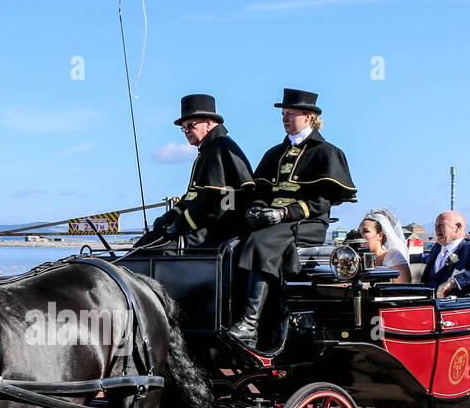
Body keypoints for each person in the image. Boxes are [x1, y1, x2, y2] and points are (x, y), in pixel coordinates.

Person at [227, 88, 357, 347]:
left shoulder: (326, 153)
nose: (285, 119)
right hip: (273, 225)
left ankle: (250, 325)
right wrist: (258, 209)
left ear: (309, 117)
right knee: (232, 242)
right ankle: (232, 315)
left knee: (261, 240)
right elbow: (260, 190)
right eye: (283, 114)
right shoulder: (274, 153)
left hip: (307, 224)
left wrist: (283, 213)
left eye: (291, 114)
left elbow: (321, 202)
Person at [135, 94, 254, 249]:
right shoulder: (207, 151)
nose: (186, 131)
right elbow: (193, 197)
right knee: (149, 240)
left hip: (218, 231)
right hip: (204, 226)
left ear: (209, 123)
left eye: (191, 125)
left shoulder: (220, 150)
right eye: (183, 127)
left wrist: (181, 224)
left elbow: (220, 203)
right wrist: (169, 216)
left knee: (155, 249)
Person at [423, 210, 470, 297]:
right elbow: (426, 259)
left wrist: (454, 282)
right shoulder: (437, 247)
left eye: (441, 225)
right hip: (426, 303)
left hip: (452, 307)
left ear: (458, 227)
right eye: (435, 226)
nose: (436, 229)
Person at [359, 208, 410, 284]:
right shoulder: (356, 259)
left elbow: (404, 288)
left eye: (366, 231)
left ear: (380, 235)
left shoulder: (393, 256)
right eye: (359, 232)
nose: (360, 236)